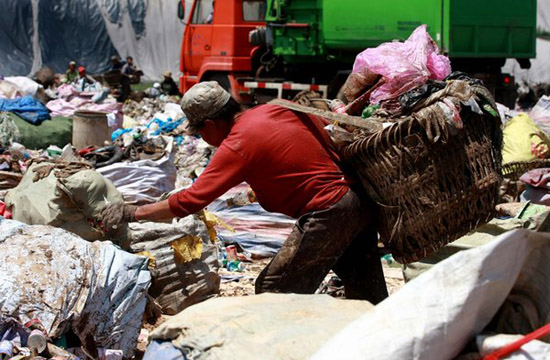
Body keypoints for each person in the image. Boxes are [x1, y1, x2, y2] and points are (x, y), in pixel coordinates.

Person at [100, 81, 388, 303]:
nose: (204, 139)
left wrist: (132, 212)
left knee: (273, 289)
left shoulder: (238, 142)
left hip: (329, 210)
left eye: (200, 133)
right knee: (368, 295)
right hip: (358, 203)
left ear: (211, 124)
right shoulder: (278, 108)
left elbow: (191, 200)